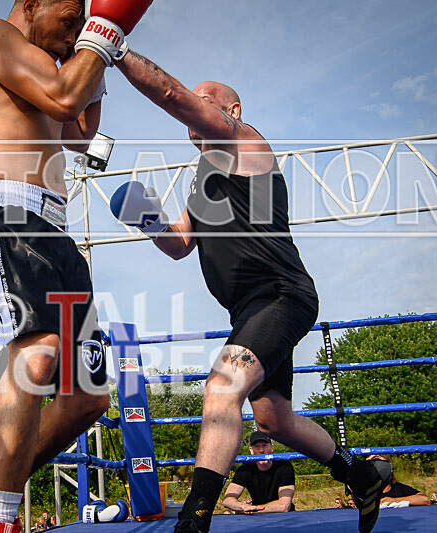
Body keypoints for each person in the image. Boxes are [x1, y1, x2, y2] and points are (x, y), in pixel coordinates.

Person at [109, 44, 393, 533]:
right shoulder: (203, 181)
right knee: (273, 422)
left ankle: (194, 520)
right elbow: (178, 245)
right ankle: (361, 473)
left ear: (232, 111)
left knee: (222, 386)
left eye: (207, 100)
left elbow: (173, 94)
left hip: (281, 294)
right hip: (249, 309)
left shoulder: (245, 143)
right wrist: (147, 219)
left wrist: (114, 48)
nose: (192, 111)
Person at [0, 2, 153, 533]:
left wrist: (98, 63)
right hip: (5, 212)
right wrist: (104, 32)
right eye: (68, 22)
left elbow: (79, 135)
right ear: (32, 4)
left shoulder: (42, 70)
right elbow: (66, 99)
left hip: (55, 232)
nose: (71, 39)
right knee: (36, 356)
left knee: (87, 398)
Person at [221, 432, 295, 514]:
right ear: (251, 450)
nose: (261, 450)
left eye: (264, 445)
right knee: (226, 513)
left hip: (283, 517)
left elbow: (284, 506)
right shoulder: (245, 469)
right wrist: (243, 506)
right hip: (257, 518)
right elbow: (227, 500)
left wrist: (251, 511)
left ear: (272, 448)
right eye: (257, 446)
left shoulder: (284, 467)